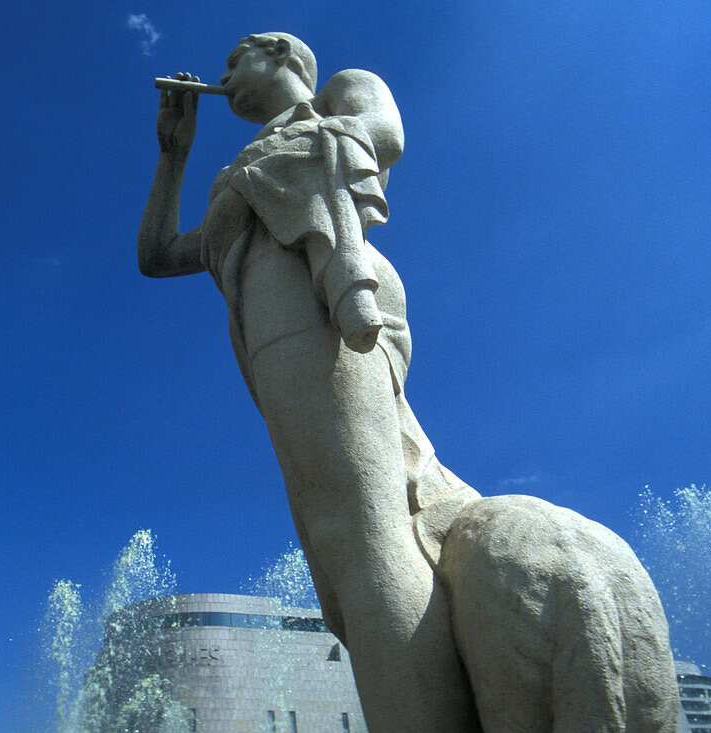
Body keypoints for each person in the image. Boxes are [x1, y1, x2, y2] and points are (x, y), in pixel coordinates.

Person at [137, 33, 482, 731]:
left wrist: (280, 156)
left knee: (358, 527)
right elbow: (158, 254)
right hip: (271, 312)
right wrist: (173, 154)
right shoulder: (243, 167)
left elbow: (385, 133)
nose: (224, 74)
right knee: (336, 544)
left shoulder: (336, 96)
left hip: (322, 288)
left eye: (237, 60)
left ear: (284, 56)